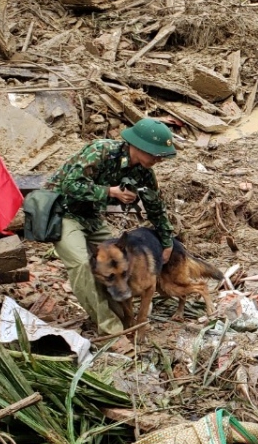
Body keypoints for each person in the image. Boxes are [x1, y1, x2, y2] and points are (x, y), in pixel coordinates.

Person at [46, 119, 178, 349]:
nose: (158, 160)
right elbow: (69, 184)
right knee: (81, 265)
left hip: (90, 216)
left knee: (115, 259)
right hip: (62, 212)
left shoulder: (144, 172)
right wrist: (109, 192)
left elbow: (155, 206)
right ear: (138, 146)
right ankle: (111, 332)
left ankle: (124, 318)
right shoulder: (101, 151)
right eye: (155, 154)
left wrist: (167, 241)